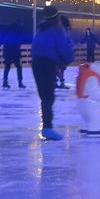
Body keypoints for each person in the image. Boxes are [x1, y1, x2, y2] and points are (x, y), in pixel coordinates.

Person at [30, 7, 75, 141]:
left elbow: (36, 47)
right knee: (48, 97)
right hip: (47, 65)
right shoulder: (56, 31)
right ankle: (47, 128)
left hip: (37, 64)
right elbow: (64, 49)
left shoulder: (40, 29)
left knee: (45, 97)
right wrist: (66, 60)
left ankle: (47, 127)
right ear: (57, 17)